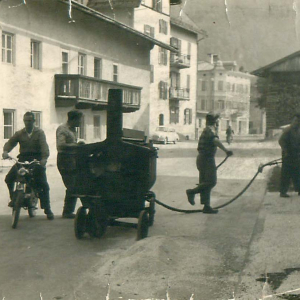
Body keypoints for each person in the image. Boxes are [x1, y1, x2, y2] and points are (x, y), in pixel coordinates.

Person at [2, 112, 54, 220]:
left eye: (30, 121)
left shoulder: (39, 133)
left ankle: (47, 209)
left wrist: (44, 159)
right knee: (9, 178)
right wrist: (6, 151)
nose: (27, 123)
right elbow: (11, 142)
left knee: (43, 185)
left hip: (36, 161)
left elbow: (44, 147)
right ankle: (14, 198)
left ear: (34, 121)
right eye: (25, 121)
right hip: (23, 160)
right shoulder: (20, 133)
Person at [186, 113, 233, 214]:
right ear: (214, 122)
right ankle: (191, 192)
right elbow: (215, 140)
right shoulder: (210, 130)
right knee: (211, 182)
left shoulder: (206, 129)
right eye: (217, 121)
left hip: (202, 158)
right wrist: (226, 150)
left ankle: (206, 206)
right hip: (207, 159)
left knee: (204, 182)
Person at [56, 110, 83, 219]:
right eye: (79, 120)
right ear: (73, 119)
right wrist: (76, 145)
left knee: (75, 184)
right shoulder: (63, 129)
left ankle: (68, 211)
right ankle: (67, 212)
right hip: (64, 160)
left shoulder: (72, 129)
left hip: (72, 159)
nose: (80, 122)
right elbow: (61, 145)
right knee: (72, 185)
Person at [278, 113, 300, 198]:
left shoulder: (298, 130)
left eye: (298, 121)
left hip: (296, 156)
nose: (297, 122)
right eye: (295, 120)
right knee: (286, 174)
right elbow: (281, 141)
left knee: (297, 173)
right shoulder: (288, 130)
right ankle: (283, 192)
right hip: (288, 156)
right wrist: (286, 151)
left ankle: (299, 189)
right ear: (292, 121)